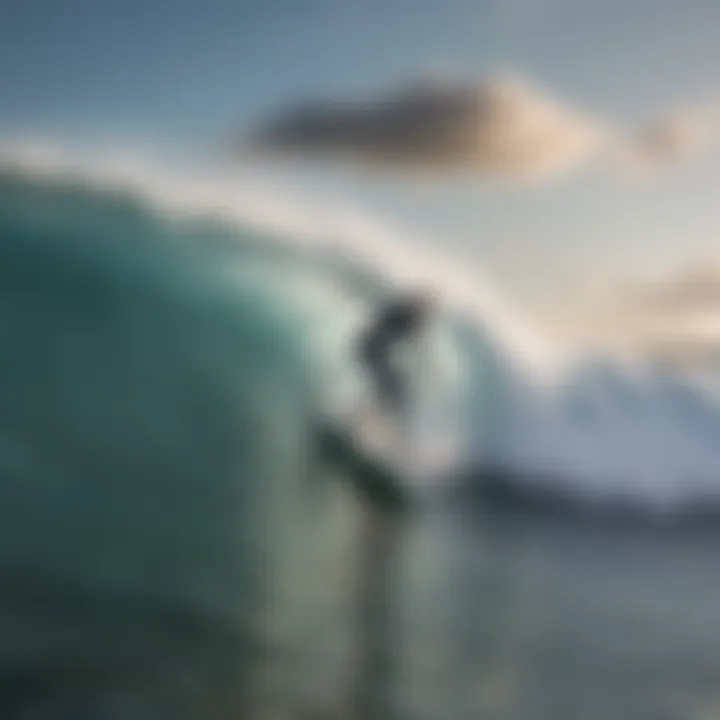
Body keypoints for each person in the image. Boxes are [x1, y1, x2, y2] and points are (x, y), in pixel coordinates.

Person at [356, 290, 434, 417]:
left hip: (372, 349)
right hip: (373, 351)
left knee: (389, 386)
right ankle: (374, 414)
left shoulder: (400, 313)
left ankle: (372, 412)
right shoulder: (404, 316)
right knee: (392, 386)